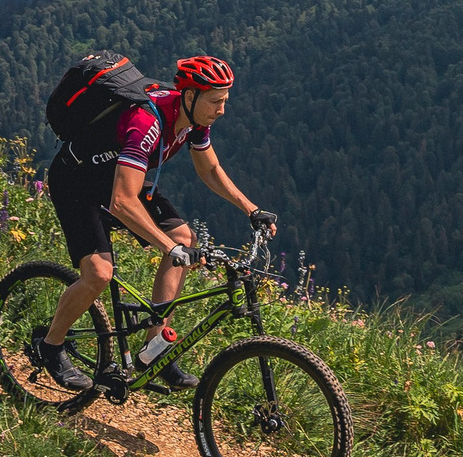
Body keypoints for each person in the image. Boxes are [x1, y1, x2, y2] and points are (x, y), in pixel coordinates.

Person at [28, 54, 277, 398]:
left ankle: (154, 350)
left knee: (184, 236)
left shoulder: (193, 121)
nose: (222, 110)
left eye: (225, 100)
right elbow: (122, 202)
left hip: (119, 179)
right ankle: (51, 345)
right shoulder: (146, 121)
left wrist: (252, 209)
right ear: (190, 96)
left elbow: (210, 170)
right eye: (216, 101)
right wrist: (169, 248)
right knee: (99, 273)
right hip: (78, 182)